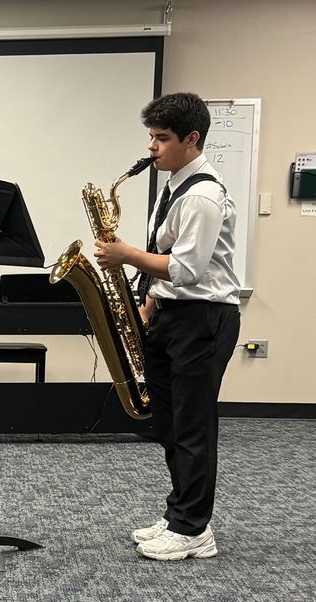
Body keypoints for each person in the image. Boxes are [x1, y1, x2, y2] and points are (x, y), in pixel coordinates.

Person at [94, 93, 240, 560]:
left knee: (193, 426)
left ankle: (195, 528)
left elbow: (187, 270)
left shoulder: (201, 194)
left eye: (162, 138)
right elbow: (172, 272)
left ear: (191, 139)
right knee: (170, 423)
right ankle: (180, 512)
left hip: (203, 318)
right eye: (151, 137)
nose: (152, 148)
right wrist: (149, 305)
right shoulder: (176, 184)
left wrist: (126, 255)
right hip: (173, 314)